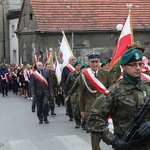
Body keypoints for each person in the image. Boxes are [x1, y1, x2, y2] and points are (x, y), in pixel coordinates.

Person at [87, 48, 150, 150]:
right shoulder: (114, 91)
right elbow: (93, 119)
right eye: (133, 64)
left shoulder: (148, 87)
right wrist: (113, 140)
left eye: (140, 64)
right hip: (127, 145)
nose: (138, 68)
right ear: (123, 67)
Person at [78, 52, 111, 150]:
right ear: (88, 62)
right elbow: (81, 94)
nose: (94, 64)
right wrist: (82, 109)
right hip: (91, 109)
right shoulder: (83, 75)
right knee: (94, 136)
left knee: (106, 133)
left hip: (105, 108)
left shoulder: (105, 74)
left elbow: (110, 90)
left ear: (99, 62)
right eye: (92, 62)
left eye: (96, 62)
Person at [64, 60, 81, 127]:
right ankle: (77, 121)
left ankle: (83, 122)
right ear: (75, 67)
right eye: (77, 66)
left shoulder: (83, 74)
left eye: (79, 65)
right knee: (75, 108)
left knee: (81, 108)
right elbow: (67, 84)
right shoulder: (71, 75)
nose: (78, 67)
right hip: (74, 93)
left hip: (81, 93)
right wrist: (65, 93)